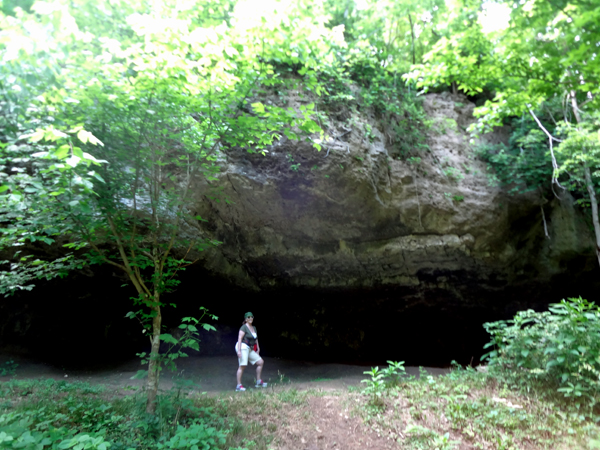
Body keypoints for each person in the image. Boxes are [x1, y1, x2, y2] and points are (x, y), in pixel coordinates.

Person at [235, 311, 266, 391]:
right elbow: (240, 339)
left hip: (250, 348)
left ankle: (258, 381)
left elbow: (256, 339)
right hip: (242, 346)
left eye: (251, 317)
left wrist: (258, 348)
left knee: (260, 362)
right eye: (248, 317)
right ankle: (239, 385)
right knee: (243, 365)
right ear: (245, 319)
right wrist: (239, 351)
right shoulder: (244, 327)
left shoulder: (254, 327)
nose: (250, 318)